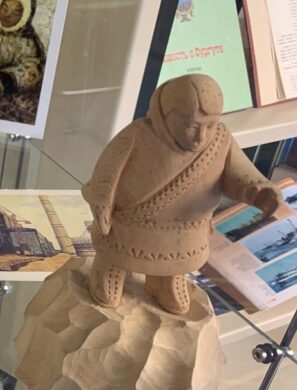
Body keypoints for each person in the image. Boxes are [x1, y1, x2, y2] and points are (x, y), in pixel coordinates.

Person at [82, 74, 282, 314]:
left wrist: (258, 190)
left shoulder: (221, 139)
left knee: (174, 263)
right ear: (166, 115)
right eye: (191, 126)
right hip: (129, 225)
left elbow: (239, 173)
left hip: (186, 229)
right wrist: (103, 200)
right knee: (117, 255)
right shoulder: (137, 135)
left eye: (209, 126)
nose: (201, 137)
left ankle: (164, 283)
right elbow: (107, 171)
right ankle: (109, 271)